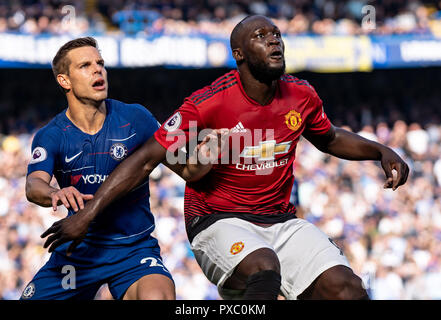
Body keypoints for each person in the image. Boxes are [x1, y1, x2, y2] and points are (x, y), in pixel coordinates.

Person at [40, 16, 409, 300]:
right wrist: (88, 215)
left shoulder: (301, 95)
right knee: (265, 270)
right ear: (240, 54)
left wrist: (380, 150)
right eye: (260, 37)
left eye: (276, 34)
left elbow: (328, 138)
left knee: (348, 289)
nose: (273, 40)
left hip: (281, 221)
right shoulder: (208, 103)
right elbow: (147, 157)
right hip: (217, 221)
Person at [22, 37, 218, 300]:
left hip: (133, 251)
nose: (97, 69)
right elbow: (34, 185)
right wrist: (53, 193)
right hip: (79, 253)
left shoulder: (136, 118)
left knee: (158, 296)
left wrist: (206, 155)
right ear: (64, 81)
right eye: (85, 65)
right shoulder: (52, 135)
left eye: (100, 63)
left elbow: (187, 170)